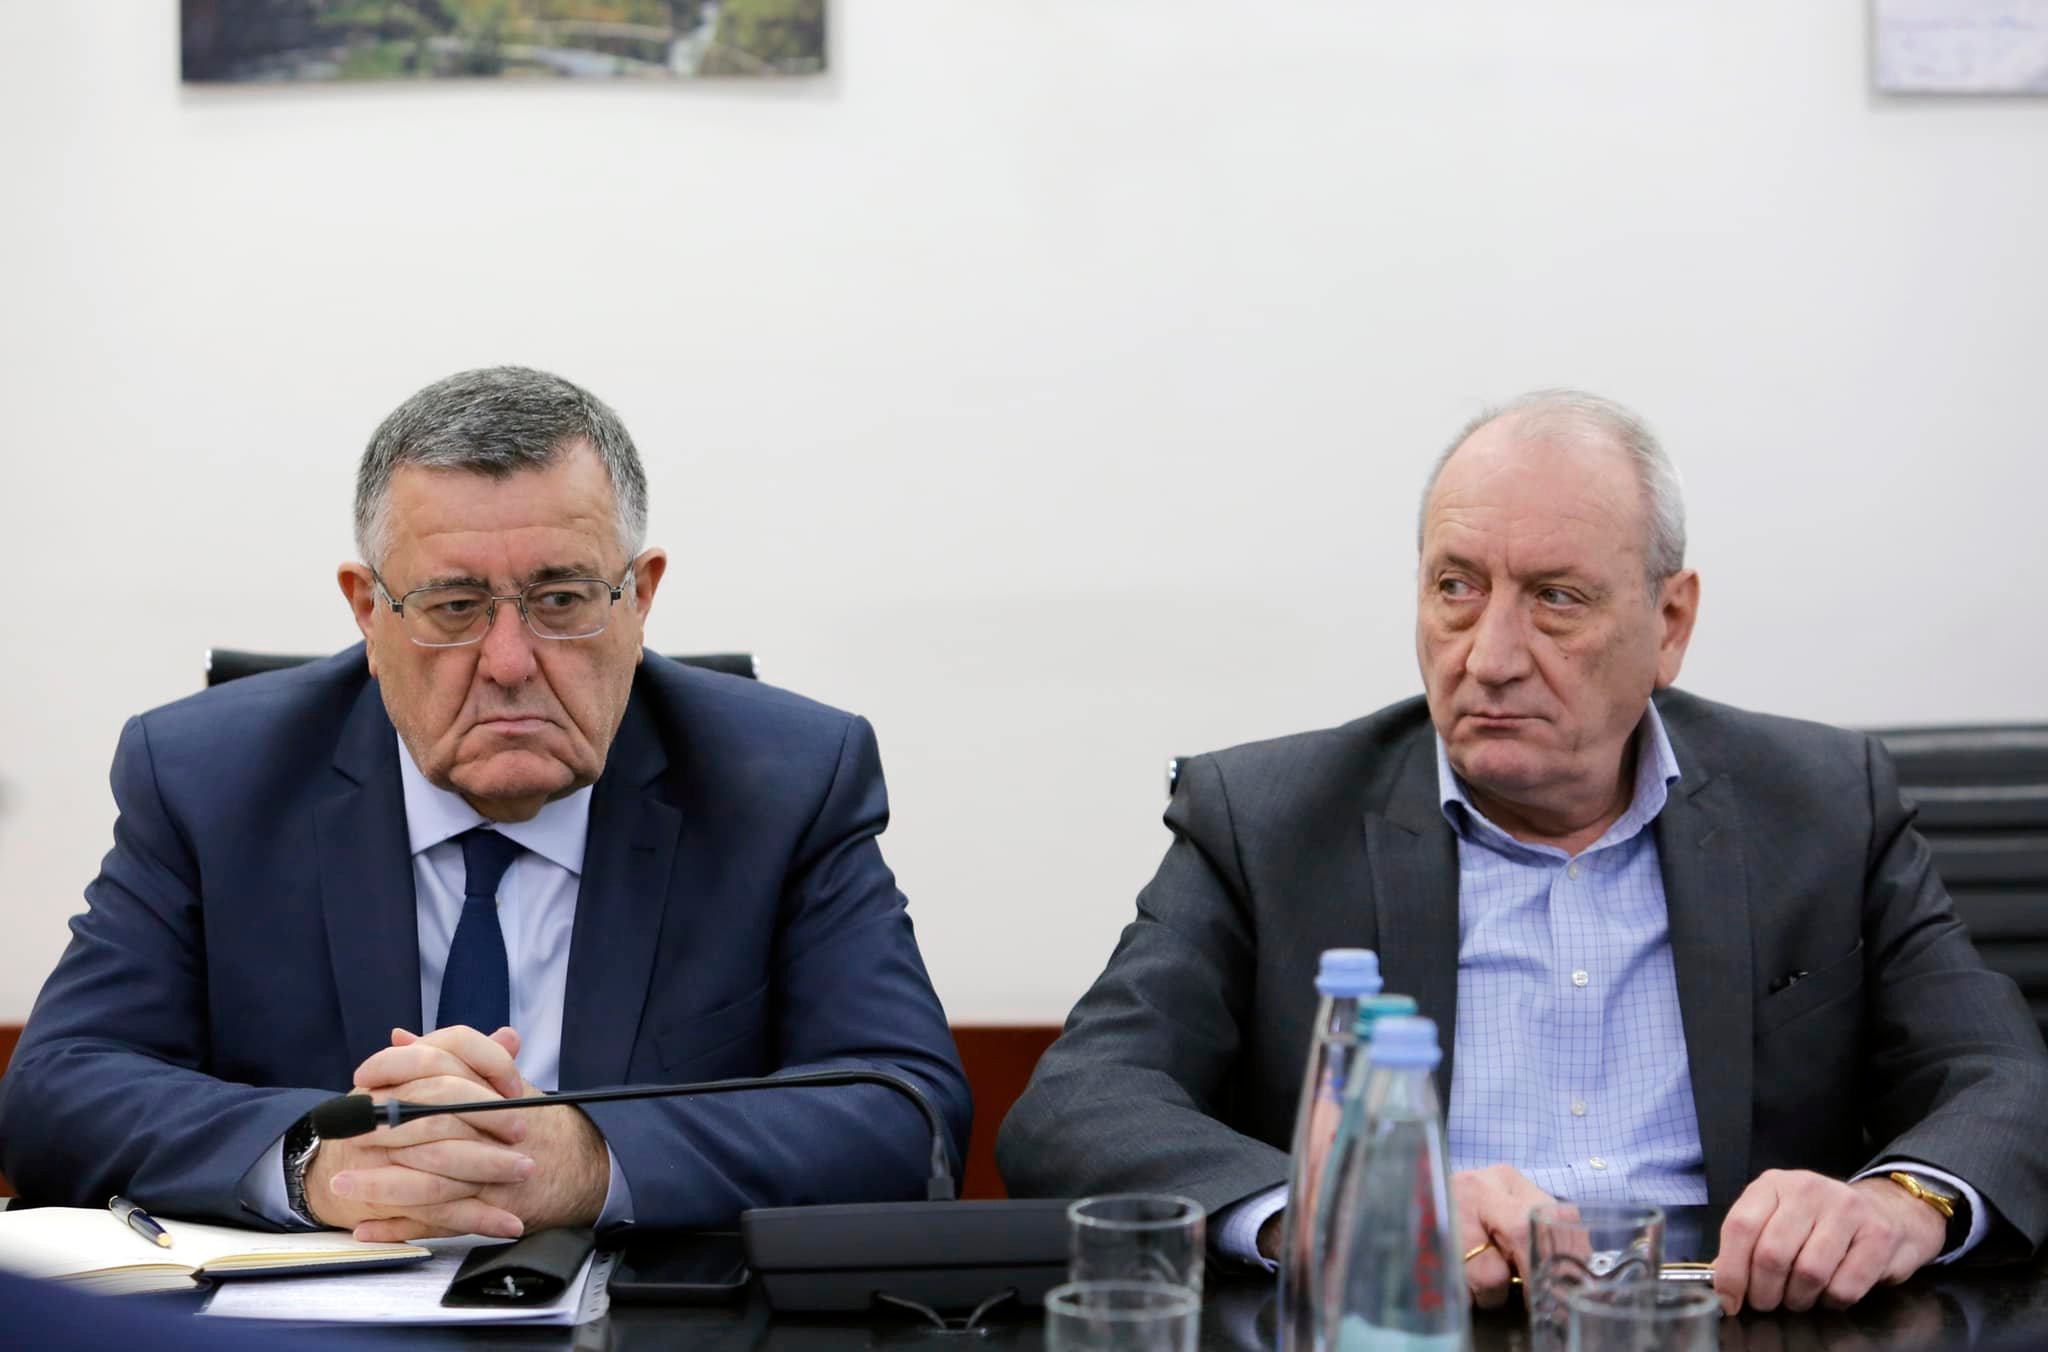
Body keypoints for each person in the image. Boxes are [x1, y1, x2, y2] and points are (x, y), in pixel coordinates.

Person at [996, 389, 2048, 1315]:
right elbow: (1078, 1106)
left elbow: (2003, 1075)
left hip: (1729, 1324)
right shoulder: (1265, 821)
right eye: (1456, 587)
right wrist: (1338, 1210)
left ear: (1669, 621)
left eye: (1555, 598)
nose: (1490, 656)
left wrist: (1900, 1202)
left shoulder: (1821, 806)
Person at [0, 366, 970, 1242]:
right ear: (368, 610)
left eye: (562, 599)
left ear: (640, 598)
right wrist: (317, 1158)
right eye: (454, 607)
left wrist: (587, 1160)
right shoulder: (210, 778)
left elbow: (906, 1113)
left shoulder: (784, 781)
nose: (509, 662)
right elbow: (57, 1091)